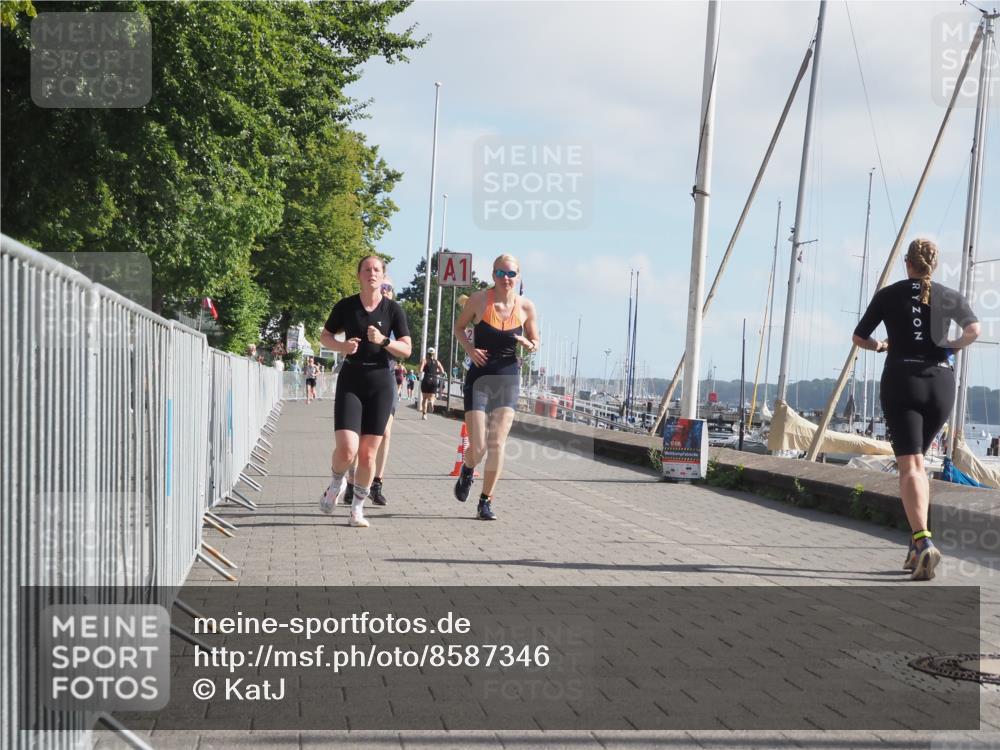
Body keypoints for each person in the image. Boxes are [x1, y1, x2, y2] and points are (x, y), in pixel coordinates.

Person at [853, 238, 979, 581]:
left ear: (907, 263)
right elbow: (974, 330)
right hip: (940, 384)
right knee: (919, 465)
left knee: (910, 465)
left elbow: (859, 337)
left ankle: (924, 542)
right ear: (932, 265)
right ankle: (914, 546)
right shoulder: (948, 295)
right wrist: (950, 347)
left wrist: (882, 346)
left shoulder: (889, 294)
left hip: (903, 380)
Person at [319, 257, 411, 527]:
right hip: (352, 379)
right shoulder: (346, 306)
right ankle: (336, 483)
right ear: (359, 275)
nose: (372, 273)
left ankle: (357, 509)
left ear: (383, 276)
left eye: (377, 270)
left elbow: (406, 349)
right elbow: (325, 336)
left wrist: (384, 341)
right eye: (367, 269)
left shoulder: (393, 309)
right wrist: (342, 347)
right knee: (347, 449)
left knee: (368, 454)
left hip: (381, 381)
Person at [452, 254, 539, 520]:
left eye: (511, 274)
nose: (506, 278)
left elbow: (535, 341)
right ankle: (468, 469)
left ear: (518, 277)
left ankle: (485, 501)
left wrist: (529, 344)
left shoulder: (526, 307)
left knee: (497, 443)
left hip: (507, 377)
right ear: (493, 275)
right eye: (501, 273)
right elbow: (459, 328)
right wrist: (470, 349)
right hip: (479, 377)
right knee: (478, 447)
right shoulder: (479, 300)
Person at [345, 280, 399, 508]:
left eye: (388, 288)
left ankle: (377, 482)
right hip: (360, 376)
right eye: (382, 287)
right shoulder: (363, 311)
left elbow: (405, 347)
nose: (384, 290)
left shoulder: (394, 315)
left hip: (386, 377)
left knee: (384, 432)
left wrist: (385, 340)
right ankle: (351, 481)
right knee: (357, 435)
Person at [419, 348, 445, 420]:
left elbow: (420, 370)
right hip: (434, 380)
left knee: (424, 398)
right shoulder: (437, 362)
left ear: (427, 353)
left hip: (426, 379)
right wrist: (435, 373)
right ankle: (431, 402)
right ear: (434, 354)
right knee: (433, 397)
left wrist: (422, 370)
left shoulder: (424, 360)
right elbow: (442, 372)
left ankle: (424, 415)